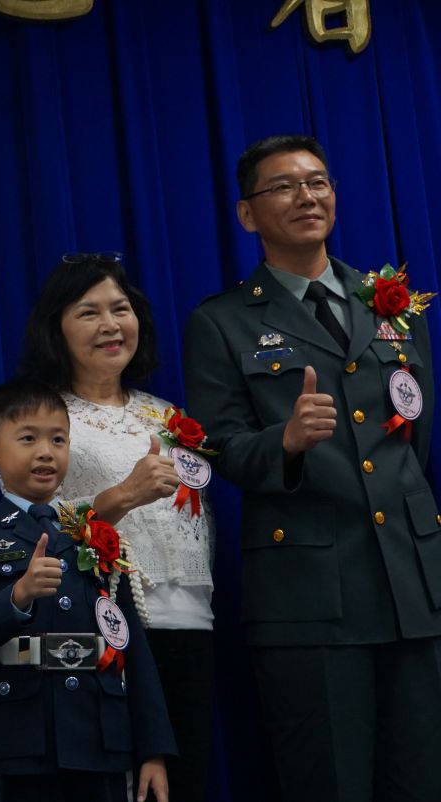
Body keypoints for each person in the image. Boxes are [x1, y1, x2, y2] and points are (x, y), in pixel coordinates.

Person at [183, 134, 440, 802]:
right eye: (284, 186)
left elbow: (416, 437)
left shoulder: (390, 301)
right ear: (247, 214)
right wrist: (287, 443)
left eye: (317, 181)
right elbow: (219, 448)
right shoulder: (223, 321)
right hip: (310, 597)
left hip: (412, 588)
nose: (306, 196)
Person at [20, 253, 215, 801]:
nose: (110, 325)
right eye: (89, 312)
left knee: (184, 785)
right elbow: (26, 525)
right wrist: (123, 495)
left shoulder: (167, 415)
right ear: (56, 329)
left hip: (193, 625)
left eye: (120, 309)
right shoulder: (43, 416)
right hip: (105, 630)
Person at [0, 378, 175, 802]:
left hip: (102, 739)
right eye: (28, 438)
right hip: (25, 740)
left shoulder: (96, 536)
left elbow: (130, 647)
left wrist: (153, 750)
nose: (46, 451)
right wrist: (19, 595)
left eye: (58, 439)